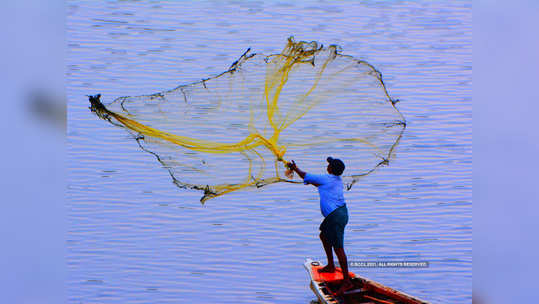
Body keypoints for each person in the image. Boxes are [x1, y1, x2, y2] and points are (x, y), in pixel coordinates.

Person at [286, 157, 354, 295]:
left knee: (339, 248)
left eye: (329, 164)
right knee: (323, 235)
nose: (327, 165)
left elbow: (305, 175)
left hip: (336, 216)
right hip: (339, 214)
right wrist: (309, 180)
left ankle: (347, 281)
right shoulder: (335, 180)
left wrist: (295, 168)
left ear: (330, 169)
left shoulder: (327, 178)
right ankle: (330, 266)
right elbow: (316, 183)